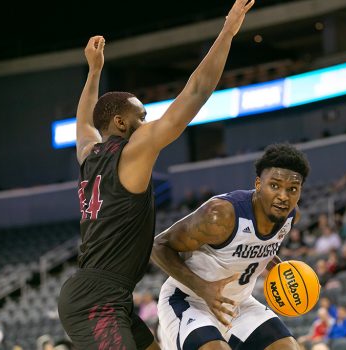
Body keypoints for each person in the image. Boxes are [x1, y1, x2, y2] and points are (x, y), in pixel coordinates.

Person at [57, 1, 255, 349]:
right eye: (142, 116)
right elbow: (196, 92)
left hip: (106, 295)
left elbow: (84, 123)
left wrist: (93, 71)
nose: (147, 123)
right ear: (120, 123)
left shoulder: (89, 153)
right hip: (96, 301)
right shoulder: (132, 150)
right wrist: (227, 32)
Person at [152, 144, 310, 349]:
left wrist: (271, 261)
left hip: (239, 304)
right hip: (189, 300)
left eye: (292, 190)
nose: (283, 196)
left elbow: (248, 244)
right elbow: (159, 246)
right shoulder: (220, 215)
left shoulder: (290, 216)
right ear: (258, 184)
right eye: (275, 185)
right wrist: (203, 288)